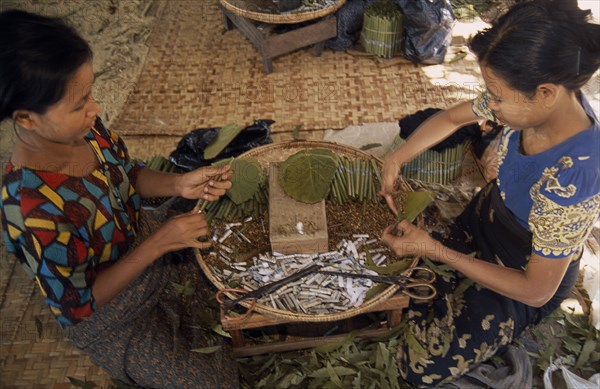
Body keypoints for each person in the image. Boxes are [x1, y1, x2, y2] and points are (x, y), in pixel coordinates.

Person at [0, 10, 239, 388]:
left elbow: (127, 175)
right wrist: (161, 243)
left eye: (90, 93)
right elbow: (78, 304)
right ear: (27, 119)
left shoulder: (85, 131)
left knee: (229, 231)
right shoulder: (30, 209)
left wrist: (179, 185)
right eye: (79, 104)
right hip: (113, 312)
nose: (94, 109)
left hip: (141, 236)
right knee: (215, 382)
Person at [379, 0, 600, 386]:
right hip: (489, 214)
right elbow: (450, 118)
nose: (490, 105)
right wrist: (396, 158)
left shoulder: (574, 177)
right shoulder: (530, 105)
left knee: (419, 367)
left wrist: (435, 249)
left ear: (545, 92)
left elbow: (535, 289)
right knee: (402, 275)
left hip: (524, 269)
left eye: (496, 96)